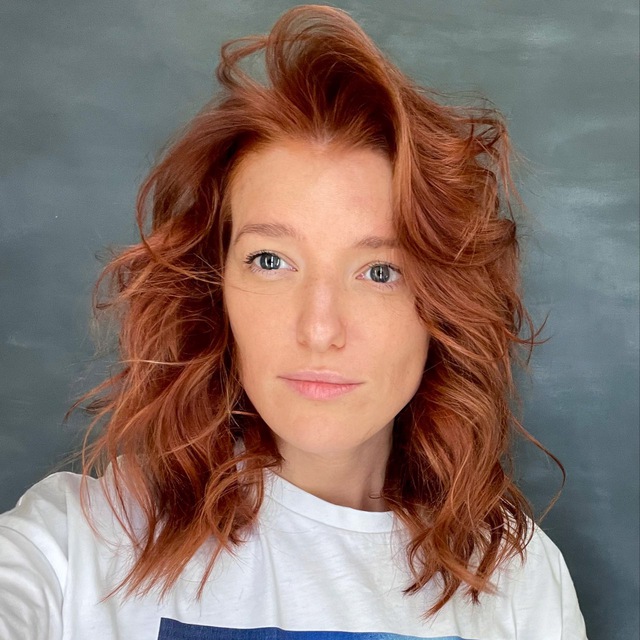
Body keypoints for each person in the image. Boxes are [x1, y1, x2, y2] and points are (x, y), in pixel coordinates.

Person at [0, 5, 588, 639]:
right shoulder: (76, 544)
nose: (319, 329)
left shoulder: (516, 579)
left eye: (380, 271)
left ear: (443, 305)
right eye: (271, 261)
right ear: (214, 289)